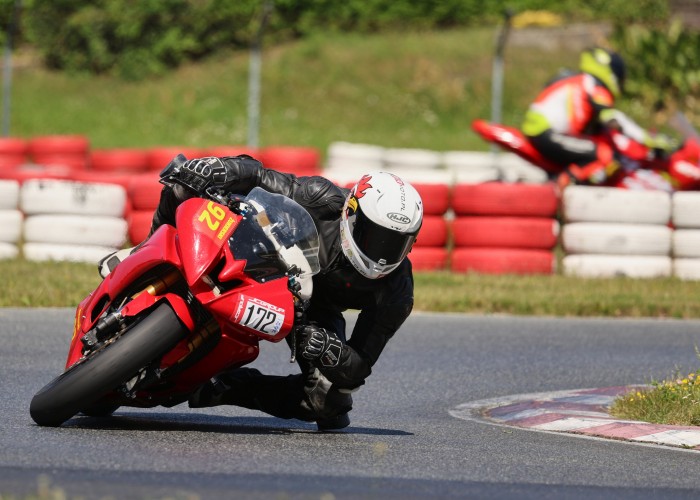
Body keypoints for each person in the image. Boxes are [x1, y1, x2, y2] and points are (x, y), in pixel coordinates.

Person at [102, 155, 423, 430]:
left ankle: (222, 387)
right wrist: (218, 169)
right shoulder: (321, 199)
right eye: (377, 238)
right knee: (183, 185)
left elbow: (358, 368)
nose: (383, 255)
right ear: (350, 214)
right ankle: (146, 254)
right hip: (270, 254)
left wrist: (329, 349)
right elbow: (259, 175)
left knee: (328, 404)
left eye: (398, 243)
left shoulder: (397, 291)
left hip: (312, 313)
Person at [521, 46, 675, 187]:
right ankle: (560, 187)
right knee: (602, 153)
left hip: (543, 130)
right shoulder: (594, 85)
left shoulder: (581, 80)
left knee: (595, 148)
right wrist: (647, 138)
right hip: (544, 132)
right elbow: (613, 117)